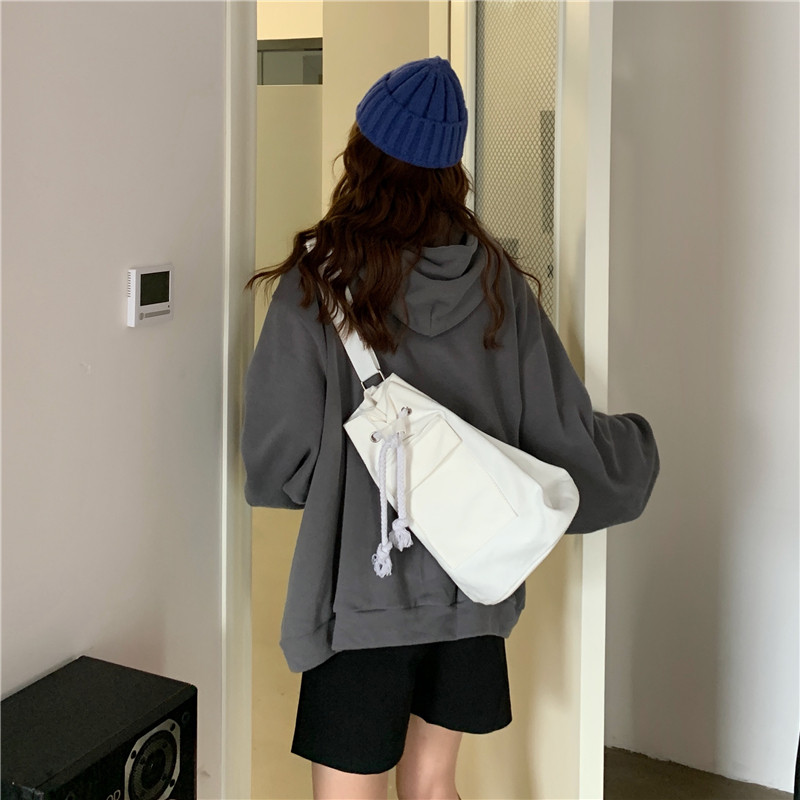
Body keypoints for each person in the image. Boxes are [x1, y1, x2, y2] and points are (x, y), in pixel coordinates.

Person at [241, 56, 660, 800]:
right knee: (435, 786)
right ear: (449, 170)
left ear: (363, 153)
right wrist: (637, 448)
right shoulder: (498, 283)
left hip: (362, 599)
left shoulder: (318, 280)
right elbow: (561, 437)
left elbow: (282, 462)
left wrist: (348, 489)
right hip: (471, 587)